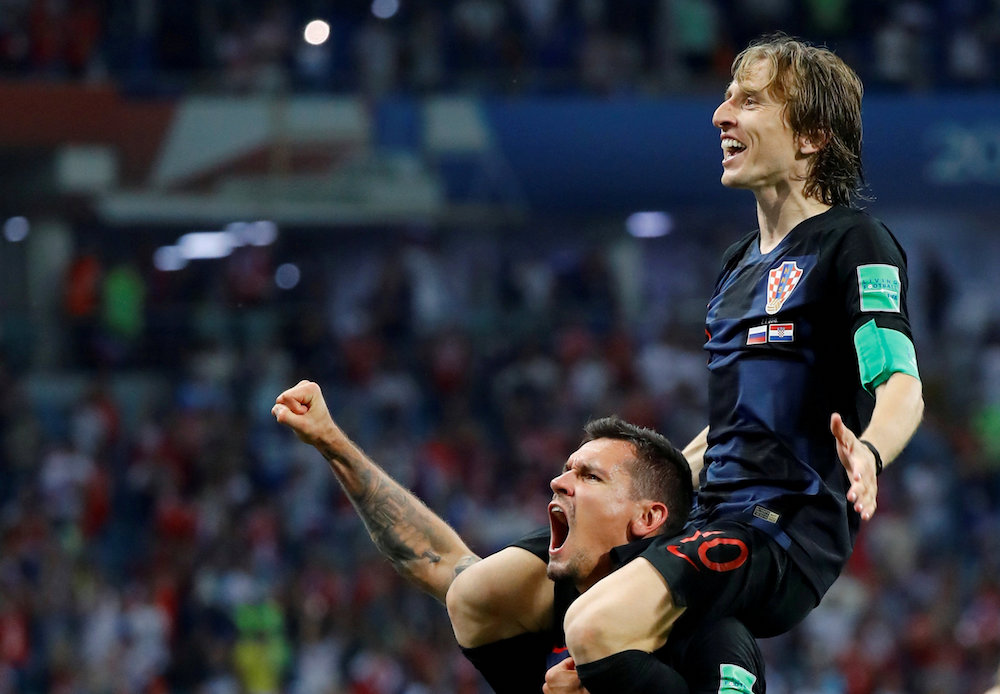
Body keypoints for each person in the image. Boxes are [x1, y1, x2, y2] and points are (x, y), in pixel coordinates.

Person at [449, 33, 924, 694]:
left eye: (750, 101)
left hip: (781, 531)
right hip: (703, 513)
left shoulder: (855, 242)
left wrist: (870, 454)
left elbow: (900, 382)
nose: (721, 115)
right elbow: (729, 427)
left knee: (593, 628)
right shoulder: (736, 267)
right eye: (728, 98)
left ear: (813, 136)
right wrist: (652, 483)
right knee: (480, 596)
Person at [271, 379, 765, 693]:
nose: (558, 481)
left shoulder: (711, 635)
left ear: (647, 519)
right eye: (566, 469)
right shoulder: (535, 601)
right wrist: (330, 441)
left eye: (589, 477)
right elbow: (436, 560)